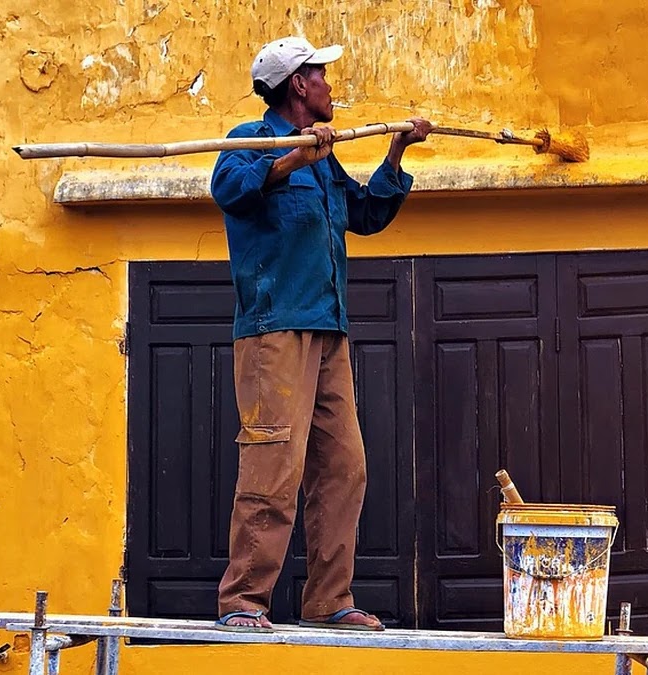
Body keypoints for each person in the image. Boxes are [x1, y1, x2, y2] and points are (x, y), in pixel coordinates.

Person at [209, 36, 431, 633]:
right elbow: (229, 190)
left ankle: (329, 602)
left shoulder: (326, 156)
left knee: (344, 466)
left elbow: (365, 215)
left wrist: (395, 155)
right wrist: (291, 161)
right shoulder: (249, 141)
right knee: (273, 463)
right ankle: (243, 601)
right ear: (298, 86)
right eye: (322, 75)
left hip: (329, 330)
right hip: (273, 331)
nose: (332, 84)